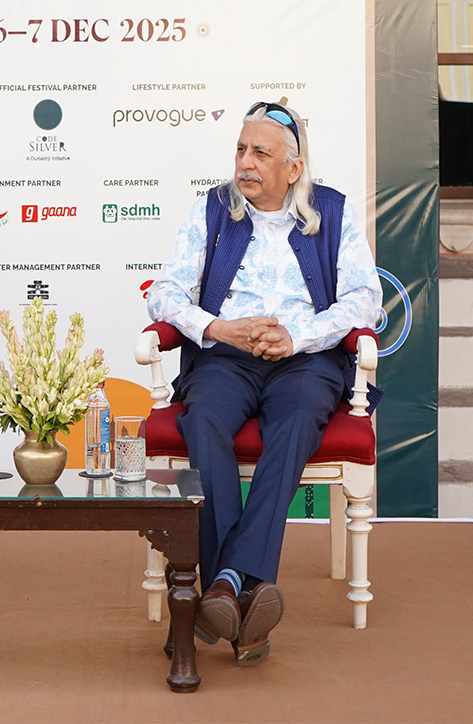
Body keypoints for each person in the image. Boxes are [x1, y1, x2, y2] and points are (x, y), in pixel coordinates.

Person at [146, 101, 379, 666]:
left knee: (295, 423)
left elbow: (364, 300)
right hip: (227, 356)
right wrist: (217, 328)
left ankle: (224, 584)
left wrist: (298, 337)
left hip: (305, 361)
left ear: (294, 168)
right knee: (203, 419)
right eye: (240, 150)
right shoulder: (212, 210)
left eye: (260, 153)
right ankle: (246, 589)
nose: (245, 163)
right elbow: (165, 292)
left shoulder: (332, 212)